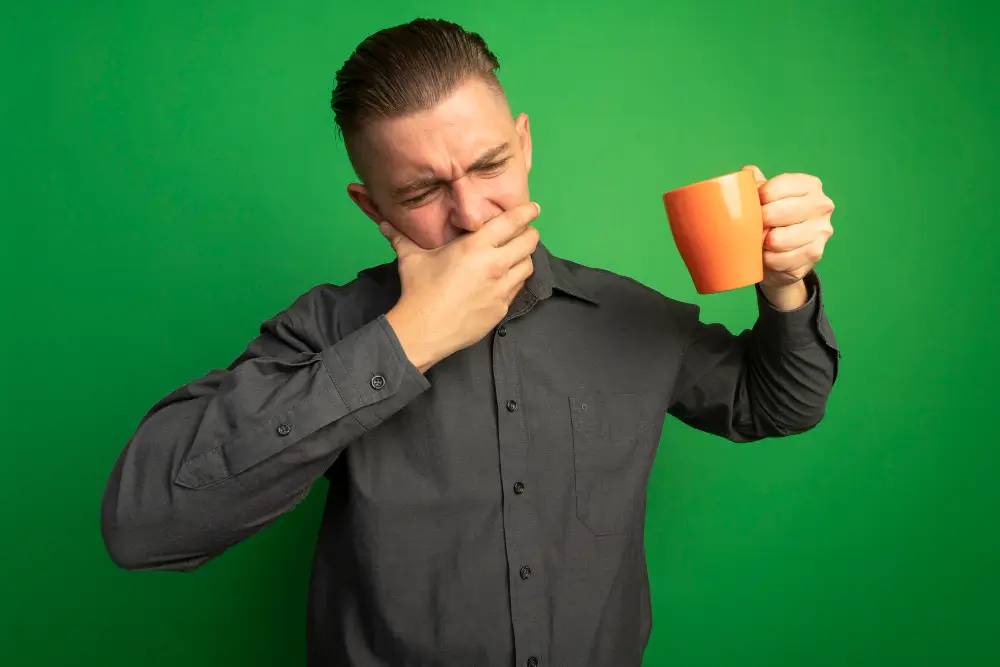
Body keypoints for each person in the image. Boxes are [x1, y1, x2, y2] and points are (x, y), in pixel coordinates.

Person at [100, 17, 840, 667]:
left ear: (523, 144)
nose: (470, 212)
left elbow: (776, 404)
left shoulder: (627, 312)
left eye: (489, 166)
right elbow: (144, 527)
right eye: (422, 192)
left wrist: (784, 285)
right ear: (371, 205)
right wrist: (407, 338)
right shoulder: (331, 328)